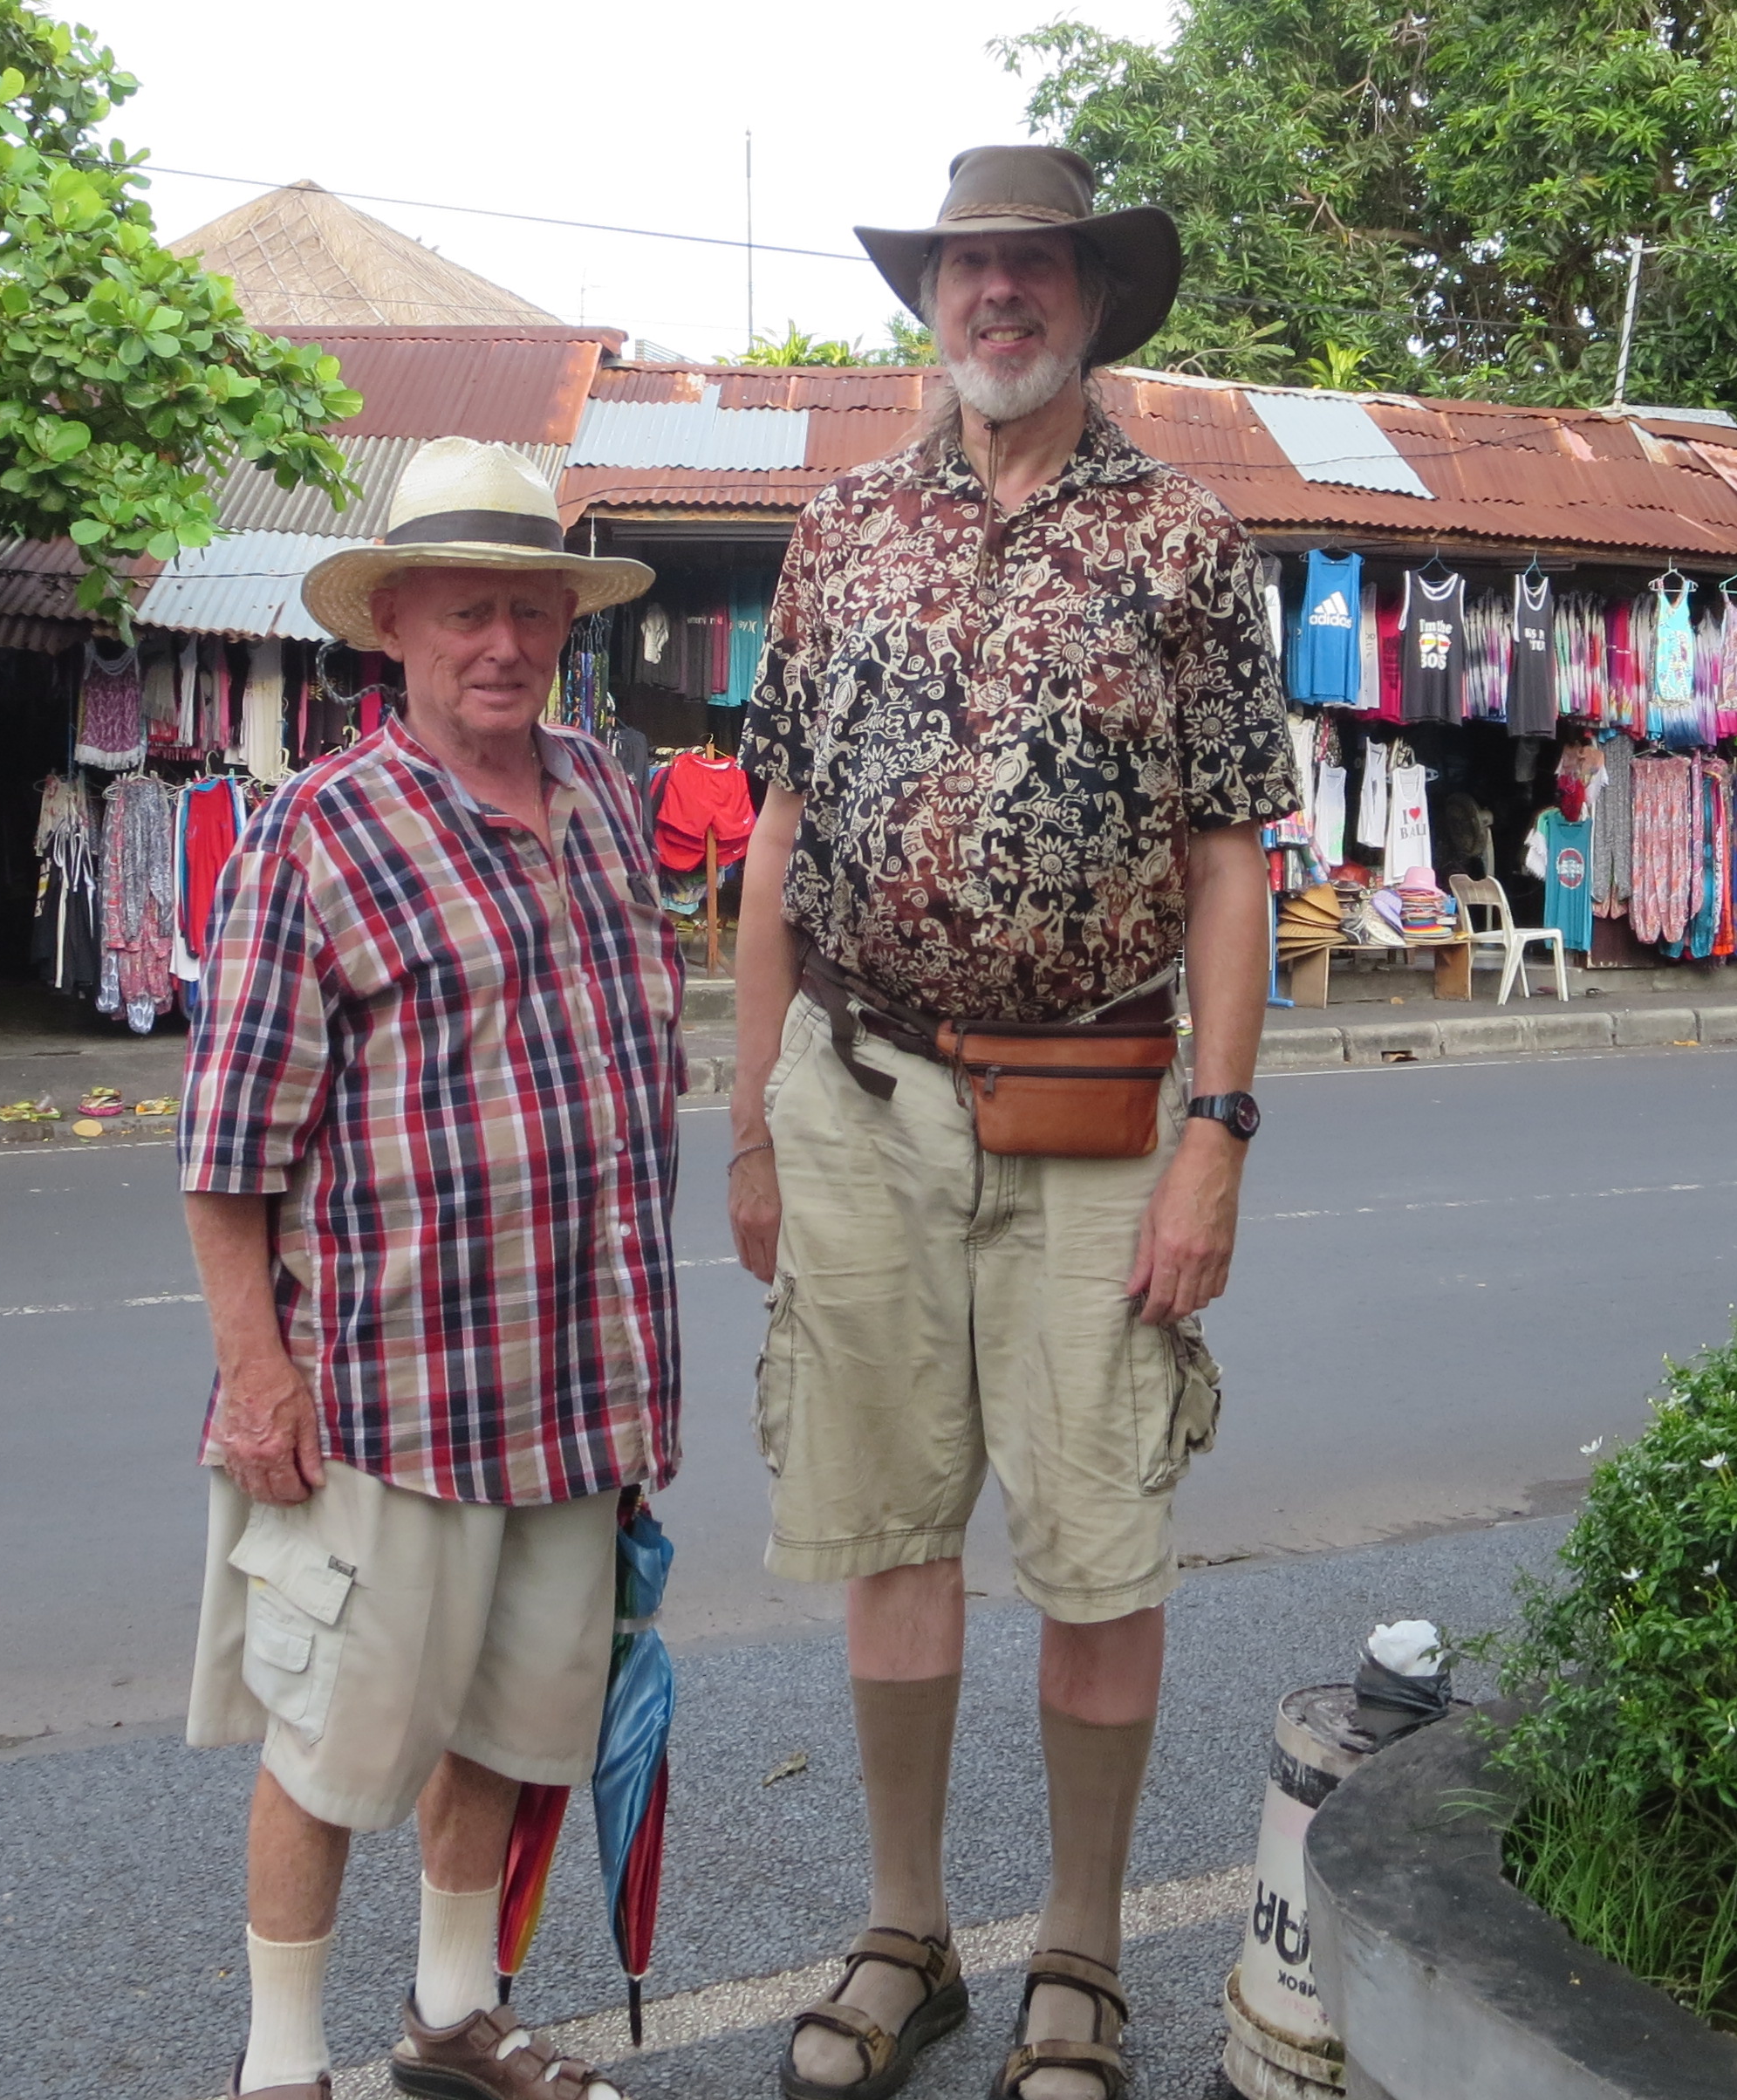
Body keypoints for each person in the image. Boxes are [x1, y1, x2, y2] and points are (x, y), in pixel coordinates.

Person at [729, 146, 1301, 2100]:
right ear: (931, 295)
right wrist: (751, 1123)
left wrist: (1217, 1134)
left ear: (1091, 299)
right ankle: (906, 1929)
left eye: (1033, 266)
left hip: (1100, 1110)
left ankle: (1079, 1949)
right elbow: (777, 837)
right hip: (857, 1095)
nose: (997, 294)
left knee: (1097, 1547)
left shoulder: (1186, 544)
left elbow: (1228, 864)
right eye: (968, 263)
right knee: (890, 1535)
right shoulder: (837, 532)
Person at [179, 437, 678, 2100]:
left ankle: (453, 2015)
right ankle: (280, 2066)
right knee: (332, 1748)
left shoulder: (603, 795)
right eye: (466, 612)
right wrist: (257, 1377)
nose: (502, 646)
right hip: (388, 1401)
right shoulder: (315, 834)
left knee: (514, 1726)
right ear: (392, 624)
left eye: (529, 611)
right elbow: (227, 1151)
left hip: (575, 1389)